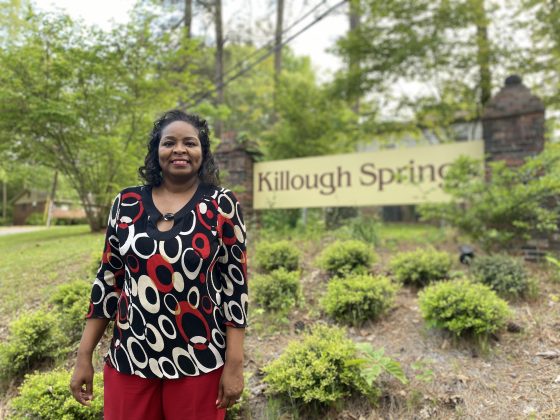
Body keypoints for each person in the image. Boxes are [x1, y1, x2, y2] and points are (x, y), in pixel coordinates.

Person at [70, 110, 248, 420]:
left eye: (189, 143)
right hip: (131, 358)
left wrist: (234, 364)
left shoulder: (222, 204)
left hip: (200, 362)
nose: (179, 149)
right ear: (156, 150)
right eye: (169, 143)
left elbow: (235, 287)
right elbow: (108, 282)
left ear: (203, 151)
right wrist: (84, 355)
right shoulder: (126, 203)